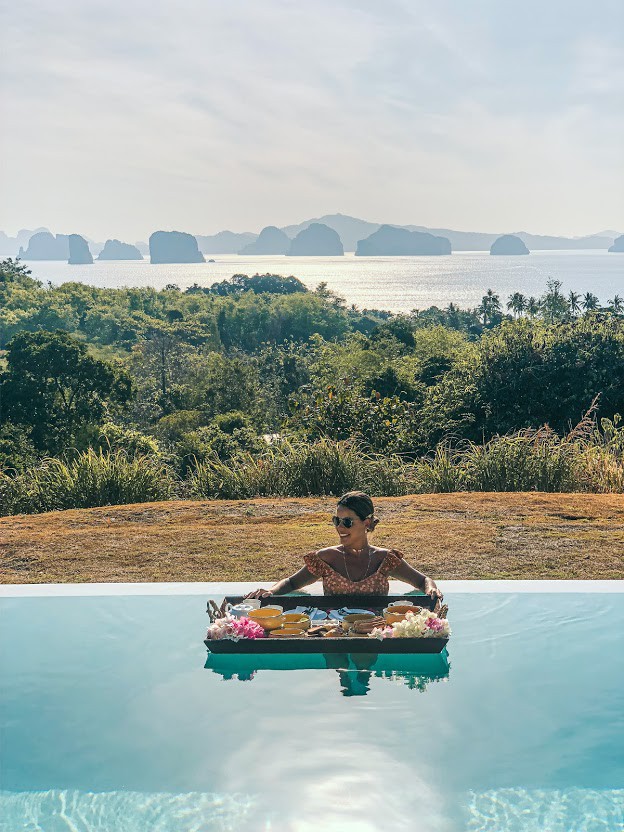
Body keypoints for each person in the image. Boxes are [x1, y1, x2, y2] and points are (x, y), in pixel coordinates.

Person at [244, 491, 443, 602]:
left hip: (375, 632)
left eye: (347, 522)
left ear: (366, 523)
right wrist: (271, 591)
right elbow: (292, 583)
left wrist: (431, 589)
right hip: (333, 632)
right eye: (336, 521)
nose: (340, 527)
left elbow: (422, 580)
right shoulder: (326, 559)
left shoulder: (385, 559)